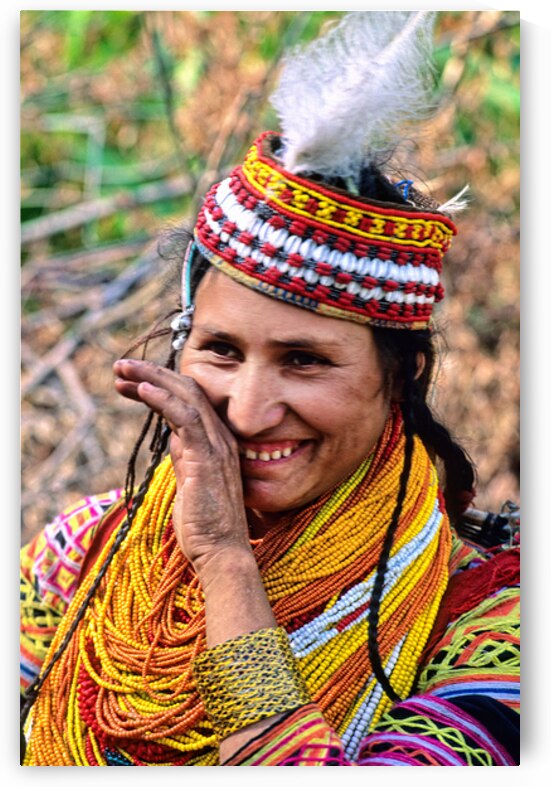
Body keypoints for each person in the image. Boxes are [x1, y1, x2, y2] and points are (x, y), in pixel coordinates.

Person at [20, 11, 519, 766]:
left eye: (305, 360)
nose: (248, 412)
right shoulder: (79, 557)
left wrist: (224, 561)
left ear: (401, 377)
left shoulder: (495, 620)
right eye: (220, 349)